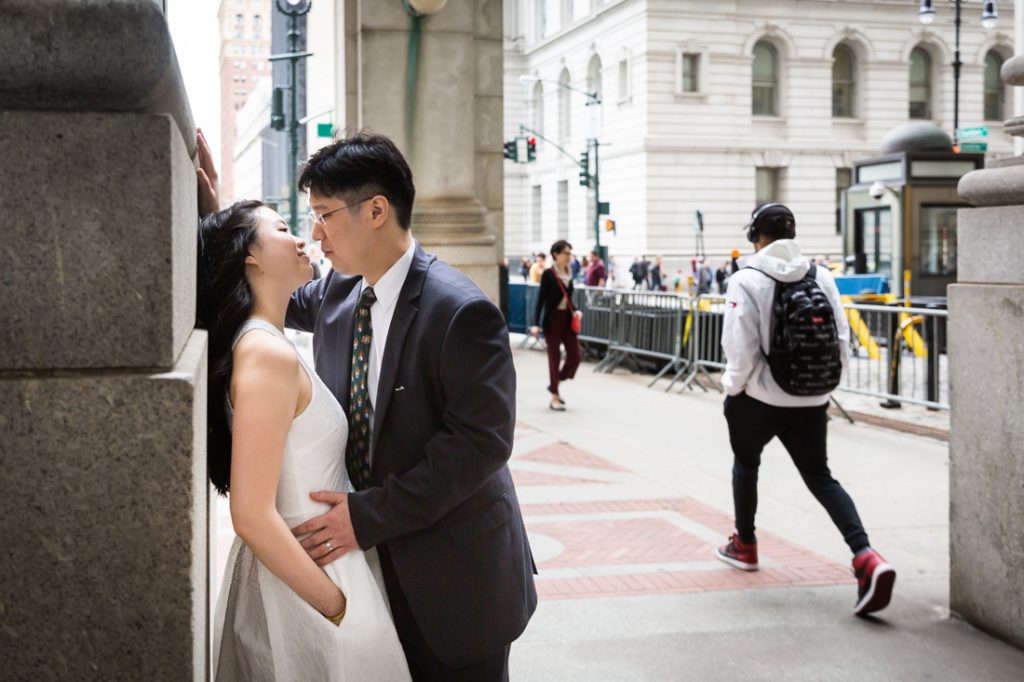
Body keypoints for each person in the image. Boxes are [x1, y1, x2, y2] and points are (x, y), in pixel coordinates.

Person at [276, 134, 536, 680]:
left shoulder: (461, 311)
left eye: (323, 215)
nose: (315, 234)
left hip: (458, 579)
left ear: (376, 210)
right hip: (373, 574)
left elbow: (480, 444)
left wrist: (368, 517)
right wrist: (212, 212)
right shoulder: (335, 294)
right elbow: (265, 289)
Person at [197, 200, 411, 681]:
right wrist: (335, 606)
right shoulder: (266, 354)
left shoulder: (264, 341)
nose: (302, 238)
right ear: (249, 256)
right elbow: (250, 513)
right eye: (282, 227)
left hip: (317, 569)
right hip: (308, 581)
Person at [717, 202, 895, 617]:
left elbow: (738, 349)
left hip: (758, 398)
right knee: (820, 477)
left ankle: (745, 544)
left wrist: (732, 390)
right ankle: (866, 555)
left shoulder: (746, 279)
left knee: (746, 464)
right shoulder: (822, 276)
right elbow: (841, 336)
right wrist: (822, 387)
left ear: (754, 237)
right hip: (812, 399)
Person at [531, 240, 582, 411]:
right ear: (556, 254)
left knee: (575, 356)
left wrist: (575, 310)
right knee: (554, 358)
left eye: (570, 253)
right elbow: (540, 300)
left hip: (567, 318)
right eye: (566, 253)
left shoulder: (569, 272)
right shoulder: (548, 274)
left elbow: (567, 298)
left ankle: (554, 384)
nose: (569, 257)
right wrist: (535, 324)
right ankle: (555, 396)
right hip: (553, 320)